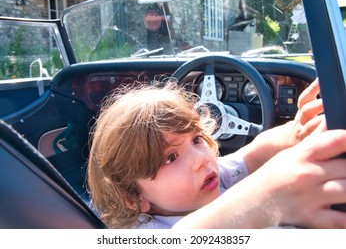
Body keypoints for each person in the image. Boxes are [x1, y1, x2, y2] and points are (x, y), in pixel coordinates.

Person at [87, 78, 346, 229]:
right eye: (171, 157)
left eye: (197, 139)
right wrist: (266, 197)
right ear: (133, 198)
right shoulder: (144, 228)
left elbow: (253, 154)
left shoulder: (210, 178)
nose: (201, 159)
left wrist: (294, 133)